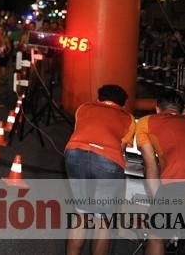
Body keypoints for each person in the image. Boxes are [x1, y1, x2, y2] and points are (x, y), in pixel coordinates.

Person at [64, 84, 135, 255]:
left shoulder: (83, 108)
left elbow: (80, 131)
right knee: (102, 221)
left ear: (98, 99)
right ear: (123, 105)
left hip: (75, 153)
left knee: (81, 214)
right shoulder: (128, 117)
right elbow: (122, 147)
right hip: (108, 160)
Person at [136, 90, 185, 255]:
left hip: (178, 180)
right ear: (181, 110)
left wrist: (156, 199)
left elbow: (151, 166)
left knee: (157, 236)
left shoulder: (146, 122)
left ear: (157, 108)